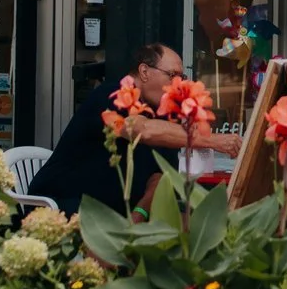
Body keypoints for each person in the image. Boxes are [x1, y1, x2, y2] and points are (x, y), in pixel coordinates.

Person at [33, 42, 220, 215]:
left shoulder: (159, 110)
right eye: (173, 76)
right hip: (62, 205)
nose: (178, 84)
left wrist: (141, 213)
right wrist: (212, 141)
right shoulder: (112, 95)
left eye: (182, 77)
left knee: (186, 224)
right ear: (144, 71)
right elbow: (140, 129)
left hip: (114, 215)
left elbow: (160, 174)